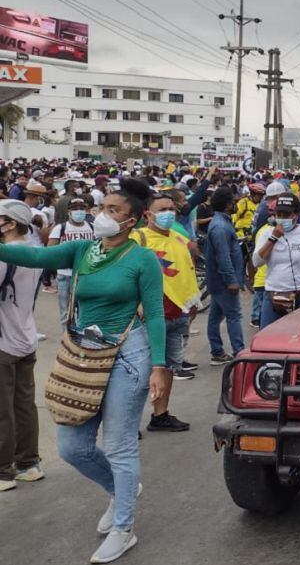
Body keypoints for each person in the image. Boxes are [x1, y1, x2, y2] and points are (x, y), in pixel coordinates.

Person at [0, 178, 165, 563]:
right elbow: (34, 258)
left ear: (132, 221)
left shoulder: (142, 260)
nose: (102, 215)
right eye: (102, 207)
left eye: (113, 211)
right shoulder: (82, 250)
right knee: (72, 447)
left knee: (120, 446)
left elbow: (156, 314)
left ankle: (124, 528)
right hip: (83, 354)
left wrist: (159, 366)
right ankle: (122, 489)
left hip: (128, 356)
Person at [133, 193, 201, 431]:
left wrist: (192, 302)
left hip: (177, 314)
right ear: (147, 214)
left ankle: (160, 415)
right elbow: (128, 274)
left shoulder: (179, 237)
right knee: (140, 370)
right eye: (162, 210)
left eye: (171, 208)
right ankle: (129, 424)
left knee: (168, 367)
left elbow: (187, 270)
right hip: (150, 316)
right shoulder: (138, 238)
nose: (168, 213)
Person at [0, 200, 44, 492]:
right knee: (24, 405)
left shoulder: (5, 255)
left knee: (2, 410)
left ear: (11, 223)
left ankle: (3, 472)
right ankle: (29, 463)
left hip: (4, 341)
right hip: (25, 336)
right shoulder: (35, 250)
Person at [252, 193, 300, 328]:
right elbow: (256, 262)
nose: (282, 219)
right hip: (273, 294)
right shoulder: (266, 234)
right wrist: (273, 238)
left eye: (287, 215)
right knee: (268, 335)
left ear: (296, 214)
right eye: (279, 214)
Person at [204, 188, 245, 366]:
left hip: (218, 280)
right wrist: (231, 280)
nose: (236, 204)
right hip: (223, 282)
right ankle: (239, 353)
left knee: (215, 317)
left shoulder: (221, 223)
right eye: (233, 201)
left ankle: (217, 352)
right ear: (228, 204)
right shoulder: (220, 227)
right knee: (233, 315)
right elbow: (223, 256)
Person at [48, 197, 95, 326]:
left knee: (84, 310)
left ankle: (80, 334)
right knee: (66, 311)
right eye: (75, 209)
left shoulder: (92, 227)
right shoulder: (60, 228)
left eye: (82, 208)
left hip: (85, 275)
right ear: (69, 211)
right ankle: (66, 336)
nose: (79, 211)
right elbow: (50, 250)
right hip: (65, 275)